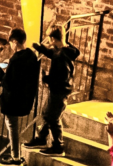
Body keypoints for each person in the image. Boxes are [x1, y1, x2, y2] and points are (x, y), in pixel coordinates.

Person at [31, 24, 79, 156]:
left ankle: (58, 146)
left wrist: (47, 79)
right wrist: (39, 48)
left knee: (52, 117)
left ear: (53, 39)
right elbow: (51, 53)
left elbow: (61, 76)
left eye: (49, 38)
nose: (49, 42)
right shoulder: (64, 50)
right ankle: (41, 139)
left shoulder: (61, 56)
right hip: (60, 89)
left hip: (59, 90)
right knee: (48, 114)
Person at [0, 30, 38, 166]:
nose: (11, 45)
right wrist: (9, 66)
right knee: (14, 126)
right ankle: (16, 156)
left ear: (15, 42)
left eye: (11, 42)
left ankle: (16, 158)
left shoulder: (15, 60)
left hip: (13, 101)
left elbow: (8, 83)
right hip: (25, 98)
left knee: (12, 126)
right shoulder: (31, 55)